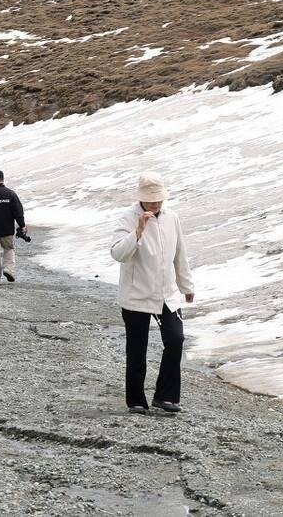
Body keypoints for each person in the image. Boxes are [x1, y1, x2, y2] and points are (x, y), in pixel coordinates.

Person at [109, 172, 194, 415]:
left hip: (167, 293)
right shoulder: (127, 218)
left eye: (159, 200)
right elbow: (118, 254)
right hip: (136, 295)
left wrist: (186, 286)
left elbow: (180, 254)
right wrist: (138, 231)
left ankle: (165, 397)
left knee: (176, 340)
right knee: (137, 350)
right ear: (141, 199)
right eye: (151, 200)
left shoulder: (172, 217)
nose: (156, 204)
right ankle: (136, 401)